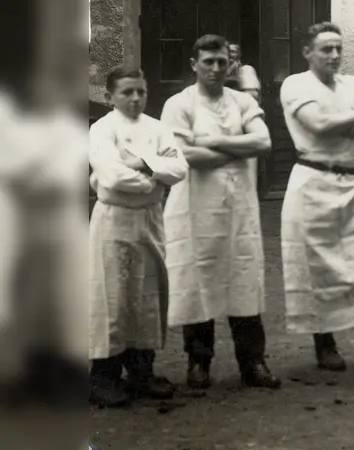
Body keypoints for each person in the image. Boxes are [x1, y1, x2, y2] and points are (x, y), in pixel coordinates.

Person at [161, 34, 279, 391]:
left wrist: (211, 142)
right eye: (208, 62)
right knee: (198, 282)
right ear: (194, 64)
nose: (215, 68)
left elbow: (263, 141)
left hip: (238, 210)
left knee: (243, 280)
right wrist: (238, 149)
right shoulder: (178, 104)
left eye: (222, 62)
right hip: (195, 209)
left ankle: (253, 362)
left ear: (231, 65)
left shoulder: (242, 101)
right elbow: (183, 154)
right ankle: (199, 361)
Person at [279, 22, 354, 370]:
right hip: (313, 183)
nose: (334, 55)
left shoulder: (352, 84)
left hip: (353, 183)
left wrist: (337, 120)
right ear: (307, 52)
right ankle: (325, 346)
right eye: (326, 49)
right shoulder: (295, 84)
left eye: (338, 49)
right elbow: (318, 126)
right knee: (318, 268)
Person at [88, 66, 189, 408]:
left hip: (149, 219)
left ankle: (141, 372)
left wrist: (142, 161)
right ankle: (103, 377)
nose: (135, 98)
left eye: (140, 92)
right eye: (127, 92)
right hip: (115, 218)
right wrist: (153, 178)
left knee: (148, 294)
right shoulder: (102, 129)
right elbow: (112, 177)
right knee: (113, 296)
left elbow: (180, 168)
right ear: (109, 96)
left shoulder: (158, 128)